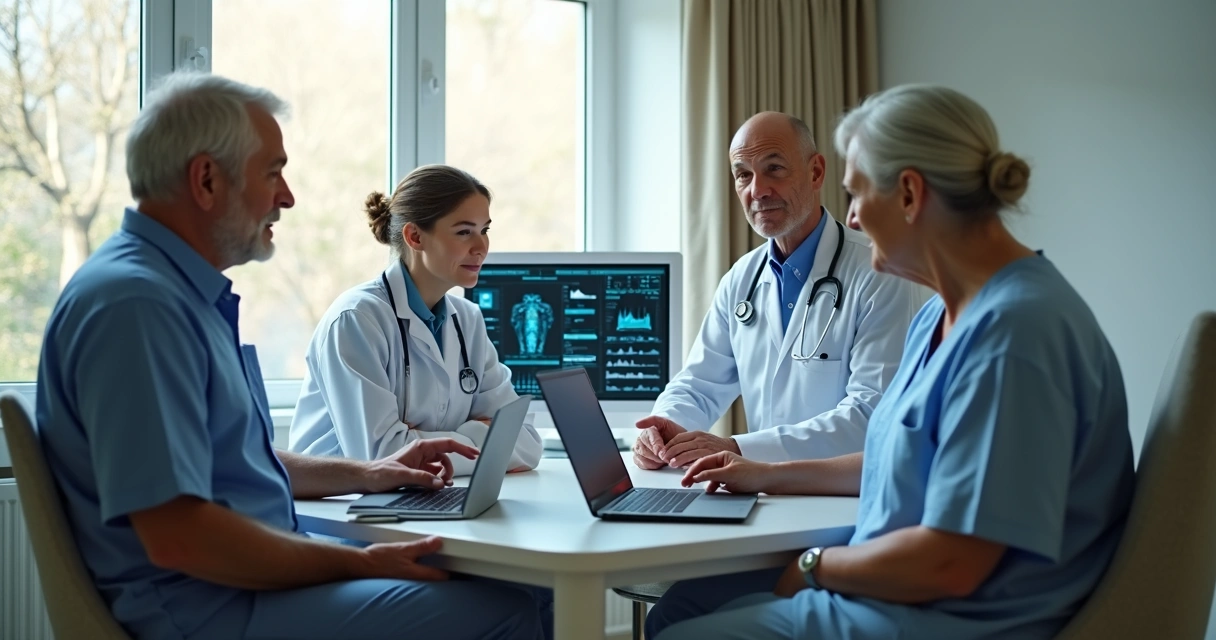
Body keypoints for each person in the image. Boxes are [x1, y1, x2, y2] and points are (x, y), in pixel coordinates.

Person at [35, 71, 542, 640]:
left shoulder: (173, 294)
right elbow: (181, 536)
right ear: (206, 180)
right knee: (513, 609)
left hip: (239, 582)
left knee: (523, 593)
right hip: (207, 608)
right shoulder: (138, 307)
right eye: (272, 172)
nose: (287, 196)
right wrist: (358, 563)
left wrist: (371, 473)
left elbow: (234, 461)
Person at [645, 85, 1135, 640]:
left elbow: (950, 564)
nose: (851, 218)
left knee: (681, 633)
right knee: (683, 609)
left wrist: (812, 568)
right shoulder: (941, 317)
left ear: (908, 194)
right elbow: (887, 452)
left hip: (949, 619)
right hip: (896, 586)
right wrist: (763, 472)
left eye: (856, 194)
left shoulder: (1016, 334)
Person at [633, 112, 925, 470]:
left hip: (845, 499)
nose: (757, 190)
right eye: (743, 175)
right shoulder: (741, 278)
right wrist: (664, 429)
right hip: (764, 492)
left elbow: (871, 416)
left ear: (816, 172)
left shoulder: (879, 271)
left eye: (774, 169)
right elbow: (699, 384)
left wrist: (737, 449)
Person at [288, 165, 542, 476]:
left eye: (484, 230)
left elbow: (526, 442)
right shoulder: (356, 320)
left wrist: (418, 440)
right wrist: (479, 431)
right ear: (415, 236)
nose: (481, 247)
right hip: (344, 508)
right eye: (464, 232)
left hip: (429, 493)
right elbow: (383, 459)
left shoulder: (468, 321)